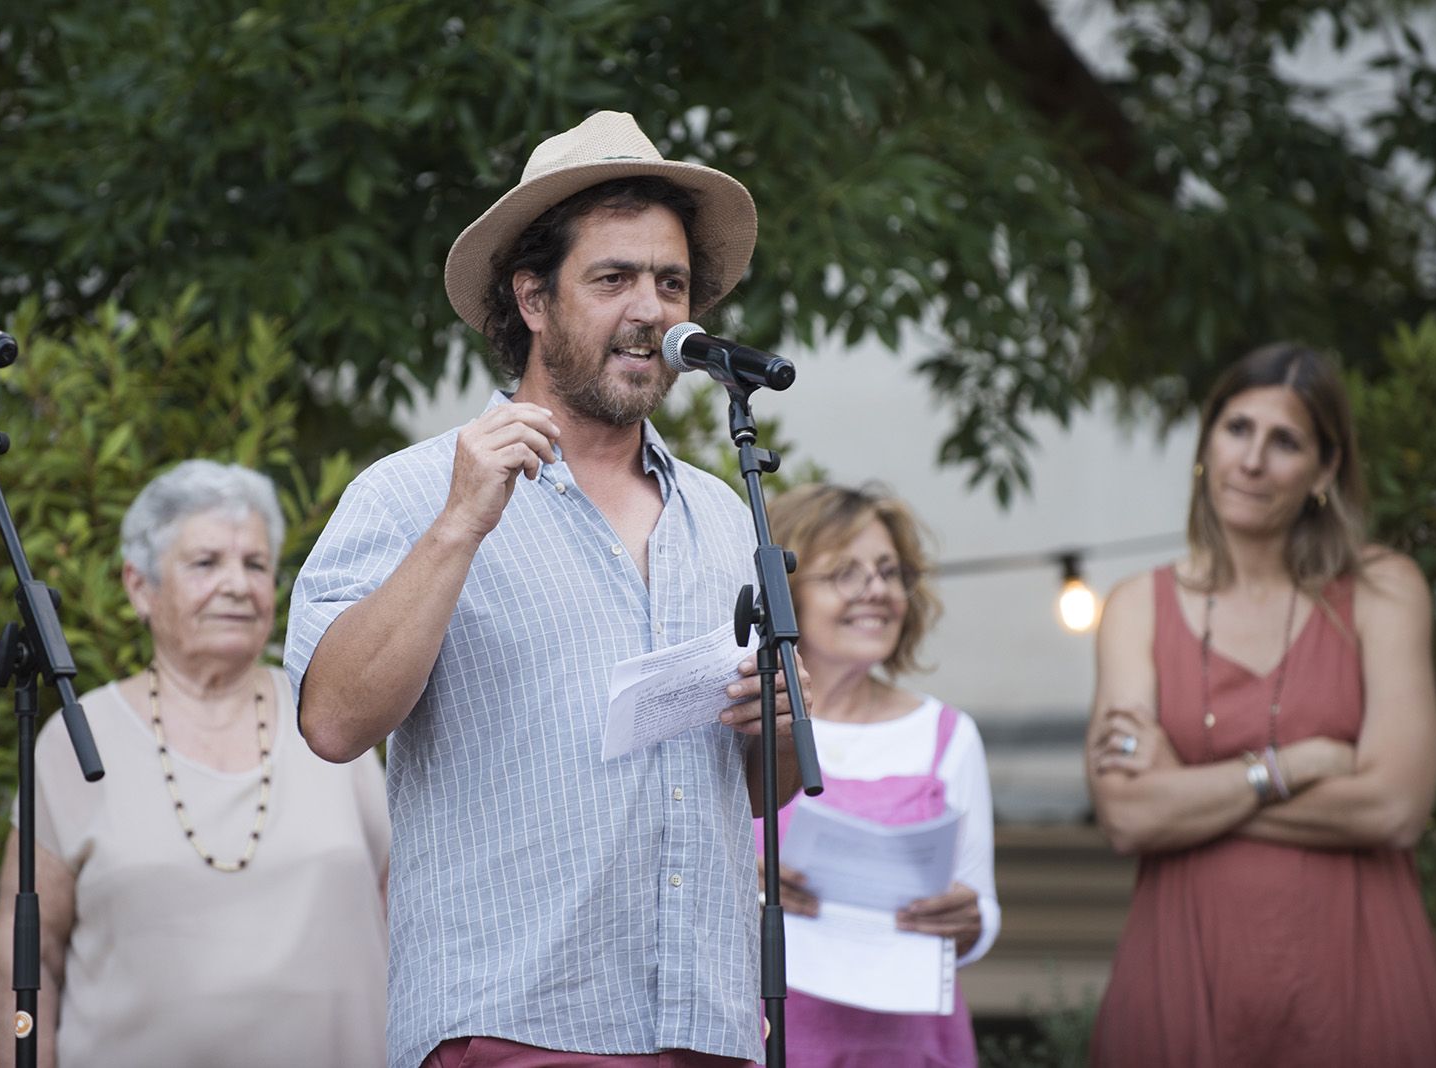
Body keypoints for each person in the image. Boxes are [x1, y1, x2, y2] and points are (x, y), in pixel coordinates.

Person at [284, 110, 801, 1068]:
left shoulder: (728, 518)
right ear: (532, 299)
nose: (651, 309)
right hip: (512, 1026)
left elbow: (759, 793)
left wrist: (768, 730)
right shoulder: (412, 491)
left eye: (671, 282)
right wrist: (459, 527)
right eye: (613, 279)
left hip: (708, 1026)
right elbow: (331, 722)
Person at [1085, 344, 1436, 1067]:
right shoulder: (1137, 606)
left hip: (1358, 974)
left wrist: (1188, 793)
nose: (1252, 461)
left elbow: (1393, 809)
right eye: (1237, 430)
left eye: (1285, 441)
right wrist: (1301, 764)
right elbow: (1129, 815)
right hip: (1184, 970)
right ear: (1206, 443)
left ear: (1326, 470)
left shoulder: (1384, 590)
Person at [0, 460, 390, 1068]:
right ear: (139, 587)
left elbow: (404, 917)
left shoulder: (328, 720)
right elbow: (22, 967)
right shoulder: (77, 738)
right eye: (206, 563)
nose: (236, 584)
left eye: (254, 564)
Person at [754, 483, 999, 1068]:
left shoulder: (948, 733)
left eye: (890, 572)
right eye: (846, 573)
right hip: (775, 1040)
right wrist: (749, 888)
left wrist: (969, 921)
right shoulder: (749, 728)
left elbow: (980, 908)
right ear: (785, 598)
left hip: (909, 1047)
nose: (878, 591)